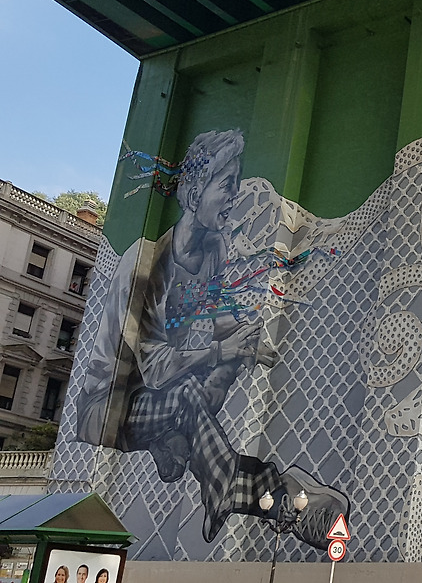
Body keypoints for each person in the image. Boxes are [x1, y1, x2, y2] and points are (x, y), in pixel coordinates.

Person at [75, 130, 349, 548]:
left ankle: (177, 444)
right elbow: (157, 369)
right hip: (110, 408)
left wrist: (243, 343)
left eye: (237, 184)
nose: (234, 195)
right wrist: (222, 348)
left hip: (161, 398)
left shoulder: (214, 248)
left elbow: (216, 317)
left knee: (224, 363)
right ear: (194, 194)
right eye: (227, 185)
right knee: (188, 388)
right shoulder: (145, 265)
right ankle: (259, 493)